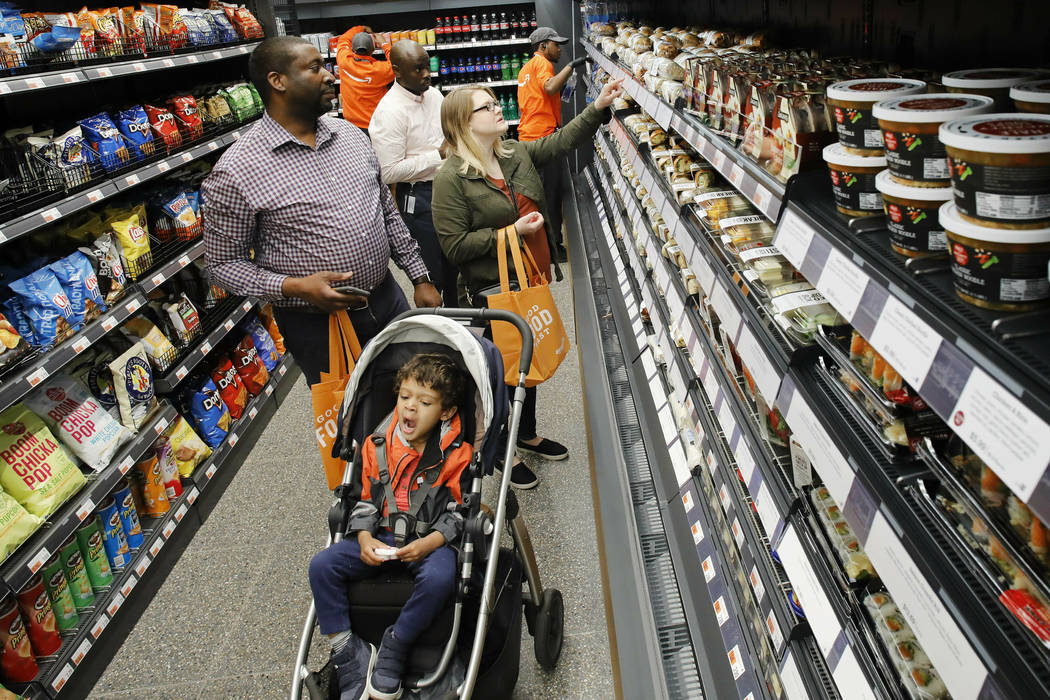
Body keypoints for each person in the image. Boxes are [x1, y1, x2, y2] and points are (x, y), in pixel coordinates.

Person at [202, 36, 442, 389]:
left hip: (388, 300)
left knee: (420, 400)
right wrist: (292, 286)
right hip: (318, 325)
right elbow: (222, 265)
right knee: (349, 422)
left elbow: (387, 214)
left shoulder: (351, 136)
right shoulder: (237, 169)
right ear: (277, 81)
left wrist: (420, 278)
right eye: (314, 68)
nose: (330, 76)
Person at [431, 77, 624, 489]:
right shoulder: (451, 177)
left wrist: (598, 107)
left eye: (494, 102)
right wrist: (511, 232)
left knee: (526, 361)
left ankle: (526, 432)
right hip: (490, 291)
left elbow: (558, 143)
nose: (498, 108)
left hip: (529, 279)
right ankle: (503, 447)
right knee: (499, 372)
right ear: (464, 123)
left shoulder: (513, 152)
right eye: (486, 107)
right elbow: (454, 246)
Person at [308, 353, 469, 700]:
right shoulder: (376, 445)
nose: (410, 408)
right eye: (404, 397)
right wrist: (364, 537)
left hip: (429, 542)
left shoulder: (457, 455)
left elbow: (458, 514)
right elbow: (365, 501)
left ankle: (396, 642)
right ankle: (347, 652)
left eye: (424, 402)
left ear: (446, 412)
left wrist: (430, 543)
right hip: (379, 537)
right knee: (321, 566)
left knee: (442, 576)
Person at [369, 40, 458, 303]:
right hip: (419, 200)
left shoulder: (433, 95)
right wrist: (437, 155)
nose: (426, 74)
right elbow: (388, 172)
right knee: (433, 277)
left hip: (449, 188)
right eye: (418, 69)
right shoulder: (390, 111)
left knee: (457, 268)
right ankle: (437, 336)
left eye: (427, 66)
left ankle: (466, 334)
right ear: (396, 71)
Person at [516, 26, 588, 263]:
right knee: (552, 193)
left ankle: (544, 244)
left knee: (540, 194)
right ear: (542, 46)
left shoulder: (525, 69)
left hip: (527, 137)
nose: (559, 49)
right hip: (544, 137)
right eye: (555, 44)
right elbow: (549, 87)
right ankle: (553, 248)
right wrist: (571, 67)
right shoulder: (542, 64)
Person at [335, 25, 394, 131]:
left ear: (352, 49)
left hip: (351, 126)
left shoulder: (343, 60)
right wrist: (384, 43)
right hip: (375, 125)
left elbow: (343, 39)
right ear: (373, 49)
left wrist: (362, 28)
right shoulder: (379, 70)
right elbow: (397, 63)